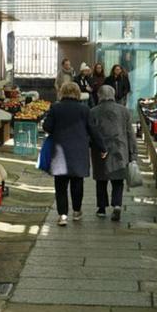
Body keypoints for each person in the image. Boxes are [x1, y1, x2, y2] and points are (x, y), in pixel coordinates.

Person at [43, 82, 107, 226]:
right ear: (78, 93)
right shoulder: (85, 110)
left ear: (62, 92)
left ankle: (63, 215)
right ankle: (77, 211)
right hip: (79, 151)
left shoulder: (56, 108)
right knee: (77, 184)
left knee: (60, 186)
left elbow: (47, 126)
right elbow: (93, 131)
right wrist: (102, 148)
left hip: (59, 151)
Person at [90, 85, 137, 221]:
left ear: (99, 96)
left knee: (101, 180)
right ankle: (117, 205)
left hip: (101, 149)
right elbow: (130, 134)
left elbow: (91, 133)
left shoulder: (93, 112)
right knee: (118, 180)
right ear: (113, 95)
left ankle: (102, 208)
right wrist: (133, 153)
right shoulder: (124, 111)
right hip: (120, 148)